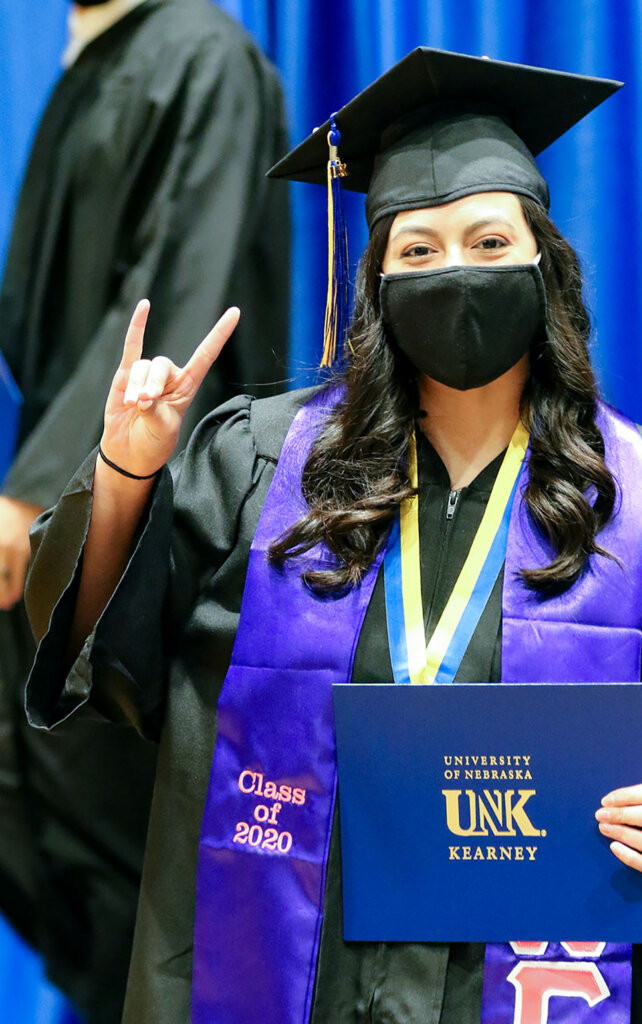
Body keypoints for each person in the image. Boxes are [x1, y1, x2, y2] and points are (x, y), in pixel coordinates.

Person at [23, 49, 642, 1024]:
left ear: (545, 266)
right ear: (377, 284)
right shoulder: (260, 467)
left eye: (489, 242)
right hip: (286, 971)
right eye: (418, 251)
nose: (455, 273)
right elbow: (104, 647)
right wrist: (127, 468)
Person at [0, 0, 289, 1019]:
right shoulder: (95, 59)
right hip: (65, 513)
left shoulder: (196, 54)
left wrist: (41, 494)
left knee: (137, 880)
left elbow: (169, 300)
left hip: (152, 536)